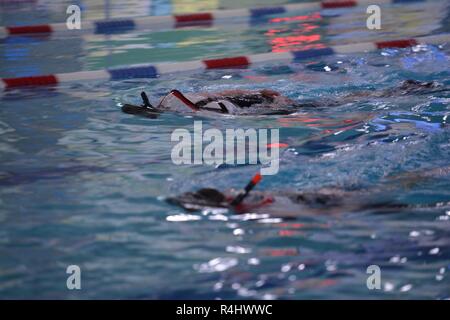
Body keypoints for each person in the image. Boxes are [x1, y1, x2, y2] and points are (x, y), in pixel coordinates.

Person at [121, 80, 446, 118]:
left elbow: (223, 101)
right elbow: (219, 94)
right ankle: (398, 90)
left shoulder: (182, 108)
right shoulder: (174, 98)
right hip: (252, 103)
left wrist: (273, 103)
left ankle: (397, 92)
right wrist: (263, 93)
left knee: (334, 104)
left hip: (255, 107)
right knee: (334, 102)